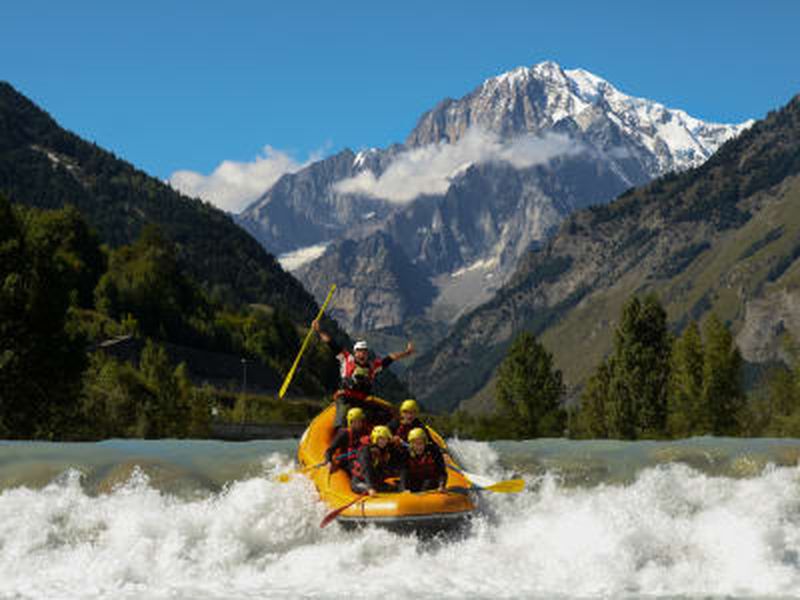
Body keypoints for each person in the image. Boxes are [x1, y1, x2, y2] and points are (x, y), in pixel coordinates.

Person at [312, 320, 414, 427]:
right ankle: (339, 432)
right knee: (342, 417)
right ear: (355, 352)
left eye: (364, 351)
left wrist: (406, 353)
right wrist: (319, 331)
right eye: (359, 351)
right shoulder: (346, 358)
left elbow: (390, 358)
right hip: (346, 397)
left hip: (362, 400)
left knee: (384, 414)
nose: (362, 354)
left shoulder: (373, 366)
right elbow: (331, 343)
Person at [349, 425, 400, 496]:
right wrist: (370, 488)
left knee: (395, 488)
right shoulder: (365, 450)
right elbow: (366, 469)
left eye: (385, 439)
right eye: (381, 439)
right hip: (360, 481)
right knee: (373, 489)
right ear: (375, 438)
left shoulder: (383, 449)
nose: (383, 441)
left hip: (375, 481)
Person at [399, 428, 447, 493]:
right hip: (414, 481)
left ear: (425, 443)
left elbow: (442, 472)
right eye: (416, 444)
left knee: (428, 483)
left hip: (429, 480)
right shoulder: (406, 454)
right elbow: (403, 473)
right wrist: (403, 489)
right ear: (411, 444)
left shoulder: (434, 452)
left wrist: (441, 486)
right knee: (406, 484)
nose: (419, 447)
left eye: (421, 443)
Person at [324, 407, 370, 473]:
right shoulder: (344, 434)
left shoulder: (365, 431)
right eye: (356, 421)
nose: (359, 423)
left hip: (360, 459)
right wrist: (328, 461)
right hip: (346, 462)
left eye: (360, 420)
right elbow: (330, 450)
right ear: (350, 422)